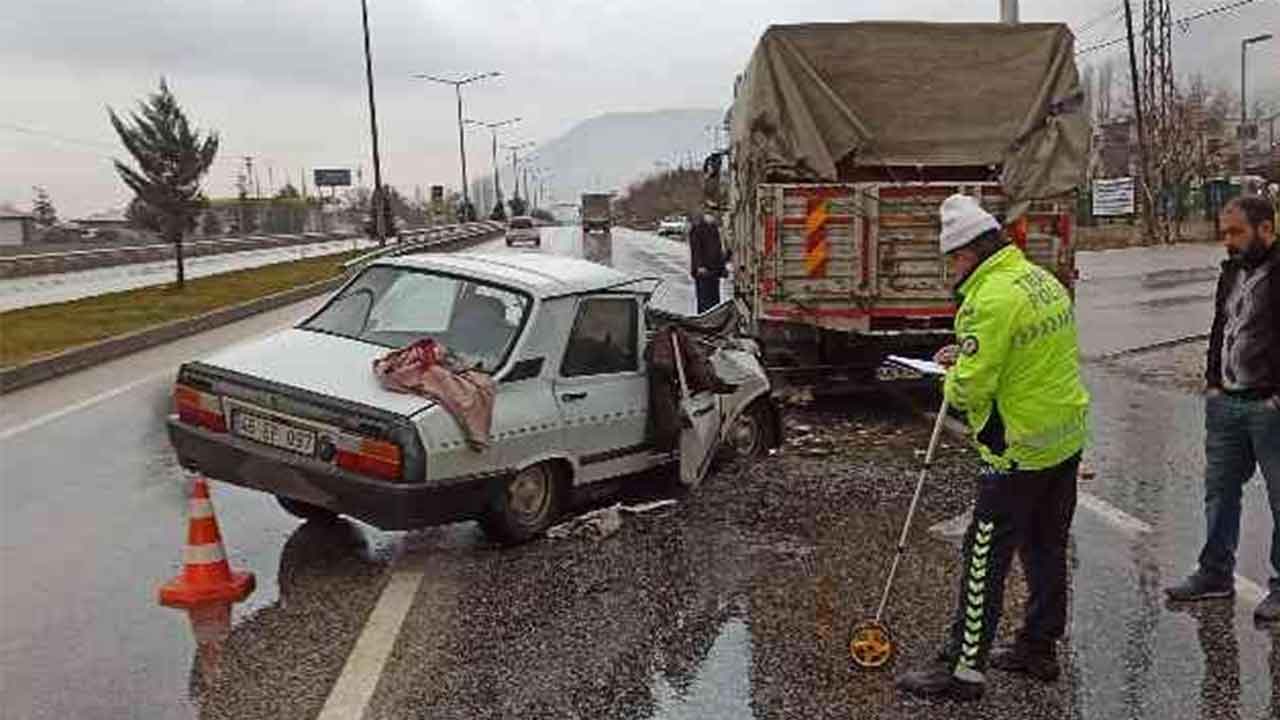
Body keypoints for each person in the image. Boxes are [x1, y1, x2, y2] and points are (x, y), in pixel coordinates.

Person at [896, 194, 1091, 702]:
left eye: (952, 259)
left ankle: (964, 670)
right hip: (1063, 439)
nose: (951, 269)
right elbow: (1024, 352)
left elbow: (970, 391)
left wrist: (952, 374)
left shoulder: (988, 299)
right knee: (1046, 545)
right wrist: (968, 354)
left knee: (983, 553)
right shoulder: (1040, 280)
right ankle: (1038, 646)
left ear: (968, 252)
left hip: (1015, 450)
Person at [1164, 196, 1280, 622]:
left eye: (1236, 232)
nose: (1227, 241)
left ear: (1266, 229)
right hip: (1226, 403)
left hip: (1269, 407)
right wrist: (1213, 382)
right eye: (1224, 232)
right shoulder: (1232, 270)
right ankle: (1214, 574)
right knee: (1219, 492)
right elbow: (1221, 328)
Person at [688, 212, 726, 314]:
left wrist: (722, 267)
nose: (717, 218)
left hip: (714, 271)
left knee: (714, 301)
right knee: (705, 301)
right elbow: (696, 249)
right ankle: (705, 323)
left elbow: (718, 250)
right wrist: (699, 266)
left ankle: (712, 320)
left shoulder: (713, 228)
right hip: (703, 271)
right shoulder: (697, 228)